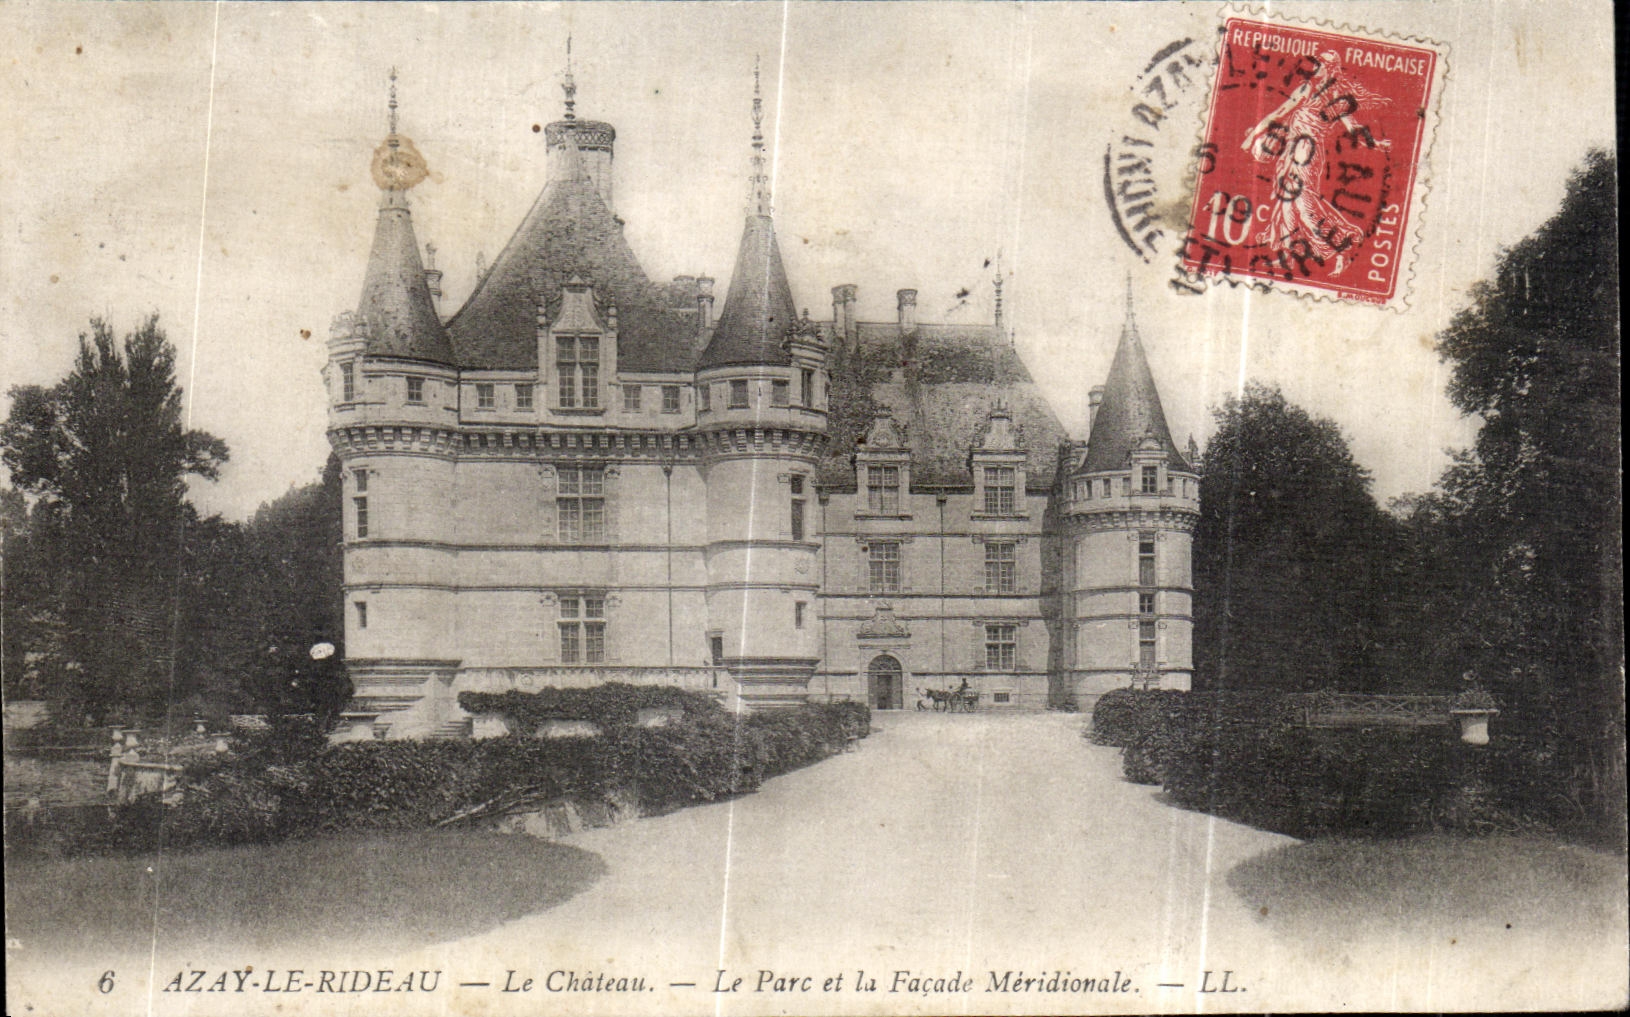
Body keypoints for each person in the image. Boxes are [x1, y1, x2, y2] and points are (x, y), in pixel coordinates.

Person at [1241, 50, 1391, 275]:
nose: (1315, 68)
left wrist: (1374, 143)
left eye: (1320, 65)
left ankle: (1341, 249)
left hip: (1307, 153)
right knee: (1286, 204)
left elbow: (1351, 127)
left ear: (1329, 68)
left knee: (1303, 204)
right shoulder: (1307, 88)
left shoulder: (1330, 95)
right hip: (1292, 151)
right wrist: (1252, 136)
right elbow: (1279, 113)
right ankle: (1288, 257)